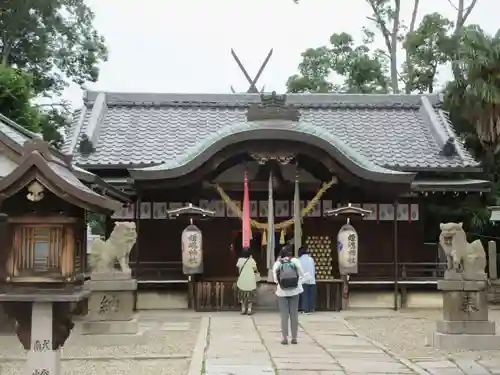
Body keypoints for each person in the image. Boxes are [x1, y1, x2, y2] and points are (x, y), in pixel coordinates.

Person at [273, 245, 304, 345]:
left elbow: (275, 279)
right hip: (295, 291)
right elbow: (301, 275)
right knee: (294, 314)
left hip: (282, 292)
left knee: (284, 315)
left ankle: (285, 338)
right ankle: (294, 337)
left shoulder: (277, 264)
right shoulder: (295, 261)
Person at [236, 247, 259, 315]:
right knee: (250, 296)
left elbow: (239, 269)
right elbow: (255, 269)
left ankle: (243, 309)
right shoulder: (252, 260)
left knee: (242, 296)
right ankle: (249, 310)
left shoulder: (240, 260)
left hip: (242, 279)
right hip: (250, 280)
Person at [298, 246, 316, 314]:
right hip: (311, 279)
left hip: (303, 280)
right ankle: (311, 308)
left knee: (305, 295)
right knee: (311, 295)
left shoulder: (299, 260)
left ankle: (305, 309)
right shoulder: (311, 259)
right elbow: (314, 270)